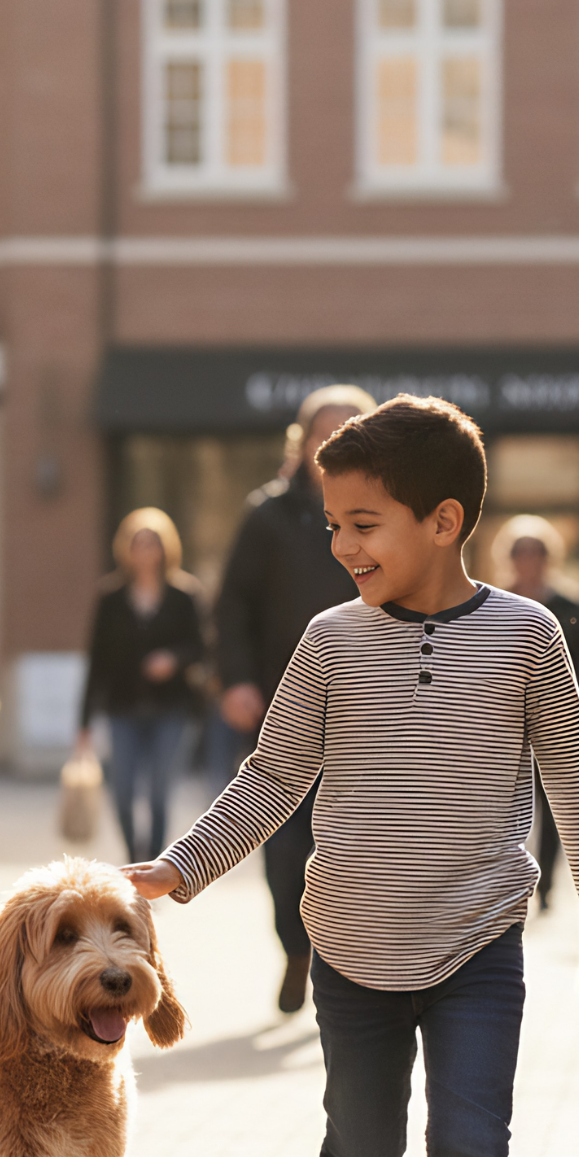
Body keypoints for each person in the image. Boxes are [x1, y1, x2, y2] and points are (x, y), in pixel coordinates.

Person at [127, 395, 579, 1157]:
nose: (342, 546)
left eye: (364, 523)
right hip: (353, 947)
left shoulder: (529, 634)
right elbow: (273, 776)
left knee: (472, 1154)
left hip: (479, 942)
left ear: (444, 521)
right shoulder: (329, 643)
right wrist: (184, 865)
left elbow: (578, 780)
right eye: (332, 524)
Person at [214, 382, 380, 1013]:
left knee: (360, 843)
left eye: (349, 432)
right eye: (324, 434)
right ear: (304, 443)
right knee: (284, 848)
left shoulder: (392, 512)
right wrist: (235, 681)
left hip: (369, 710)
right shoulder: (269, 515)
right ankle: (297, 948)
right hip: (283, 703)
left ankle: (346, 962)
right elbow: (232, 606)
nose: (333, 445)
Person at [493, 515, 579, 910]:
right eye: (521, 551)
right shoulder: (493, 605)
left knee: (555, 806)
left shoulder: (572, 605)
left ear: (550, 557)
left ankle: (545, 884)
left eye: (537, 551)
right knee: (503, 804)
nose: (529, 559)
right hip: (507, 720)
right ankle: (505, 880)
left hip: (557, 719)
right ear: (509, 557)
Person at [76, 508, 205, 862]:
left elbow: (201, 648)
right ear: (127, 549)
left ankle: (157, 863)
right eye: (139, 543)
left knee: (161, 792)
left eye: (153, 543)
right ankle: (135, 857)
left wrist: (173, 660)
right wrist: (83, 723)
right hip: (123, 709)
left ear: (166, 548)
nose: (146, 551)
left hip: (171, 710)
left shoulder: (184, 594)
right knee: (122, 791)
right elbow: (96, 662)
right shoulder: (110, 598)